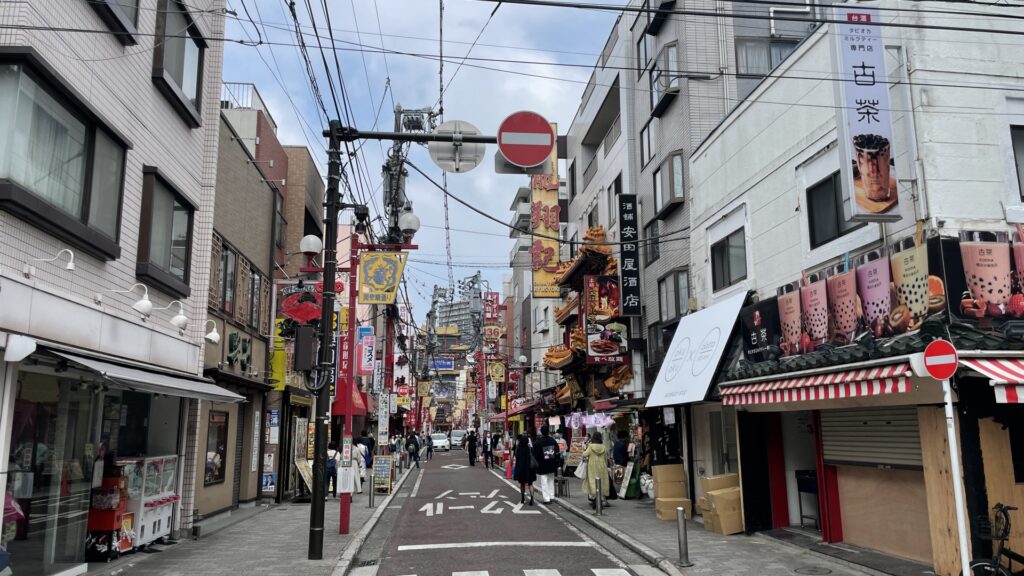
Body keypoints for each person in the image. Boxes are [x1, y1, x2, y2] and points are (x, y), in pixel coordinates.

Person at [532, 425, 561, 504]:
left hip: (542, 465)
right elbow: (557, 452)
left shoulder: (538, 442)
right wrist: (557, 462)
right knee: (551, 480)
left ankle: (546, 499)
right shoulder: (553, 441)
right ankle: (551, 496)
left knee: (544, 482)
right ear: (548, 432)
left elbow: (535, 454)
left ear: (541, 432)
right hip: (552, 464)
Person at [582, 432, 610, 510]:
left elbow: (584, 454)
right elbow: (606, 458)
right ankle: (600, 499)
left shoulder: (591, 446)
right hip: (602, 466)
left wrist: (584, 449)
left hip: (592, 467)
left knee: (593, 483)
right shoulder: (603, 447)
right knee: (601, 482)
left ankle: (594, 500)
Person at [513, 432, 537, 505]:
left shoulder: (518, 448)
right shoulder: (529, 448)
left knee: (522, 484)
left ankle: (522, 498)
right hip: (530, 469)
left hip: (521, 469)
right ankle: (532, 499)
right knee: (530, 484)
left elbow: (516, 458)